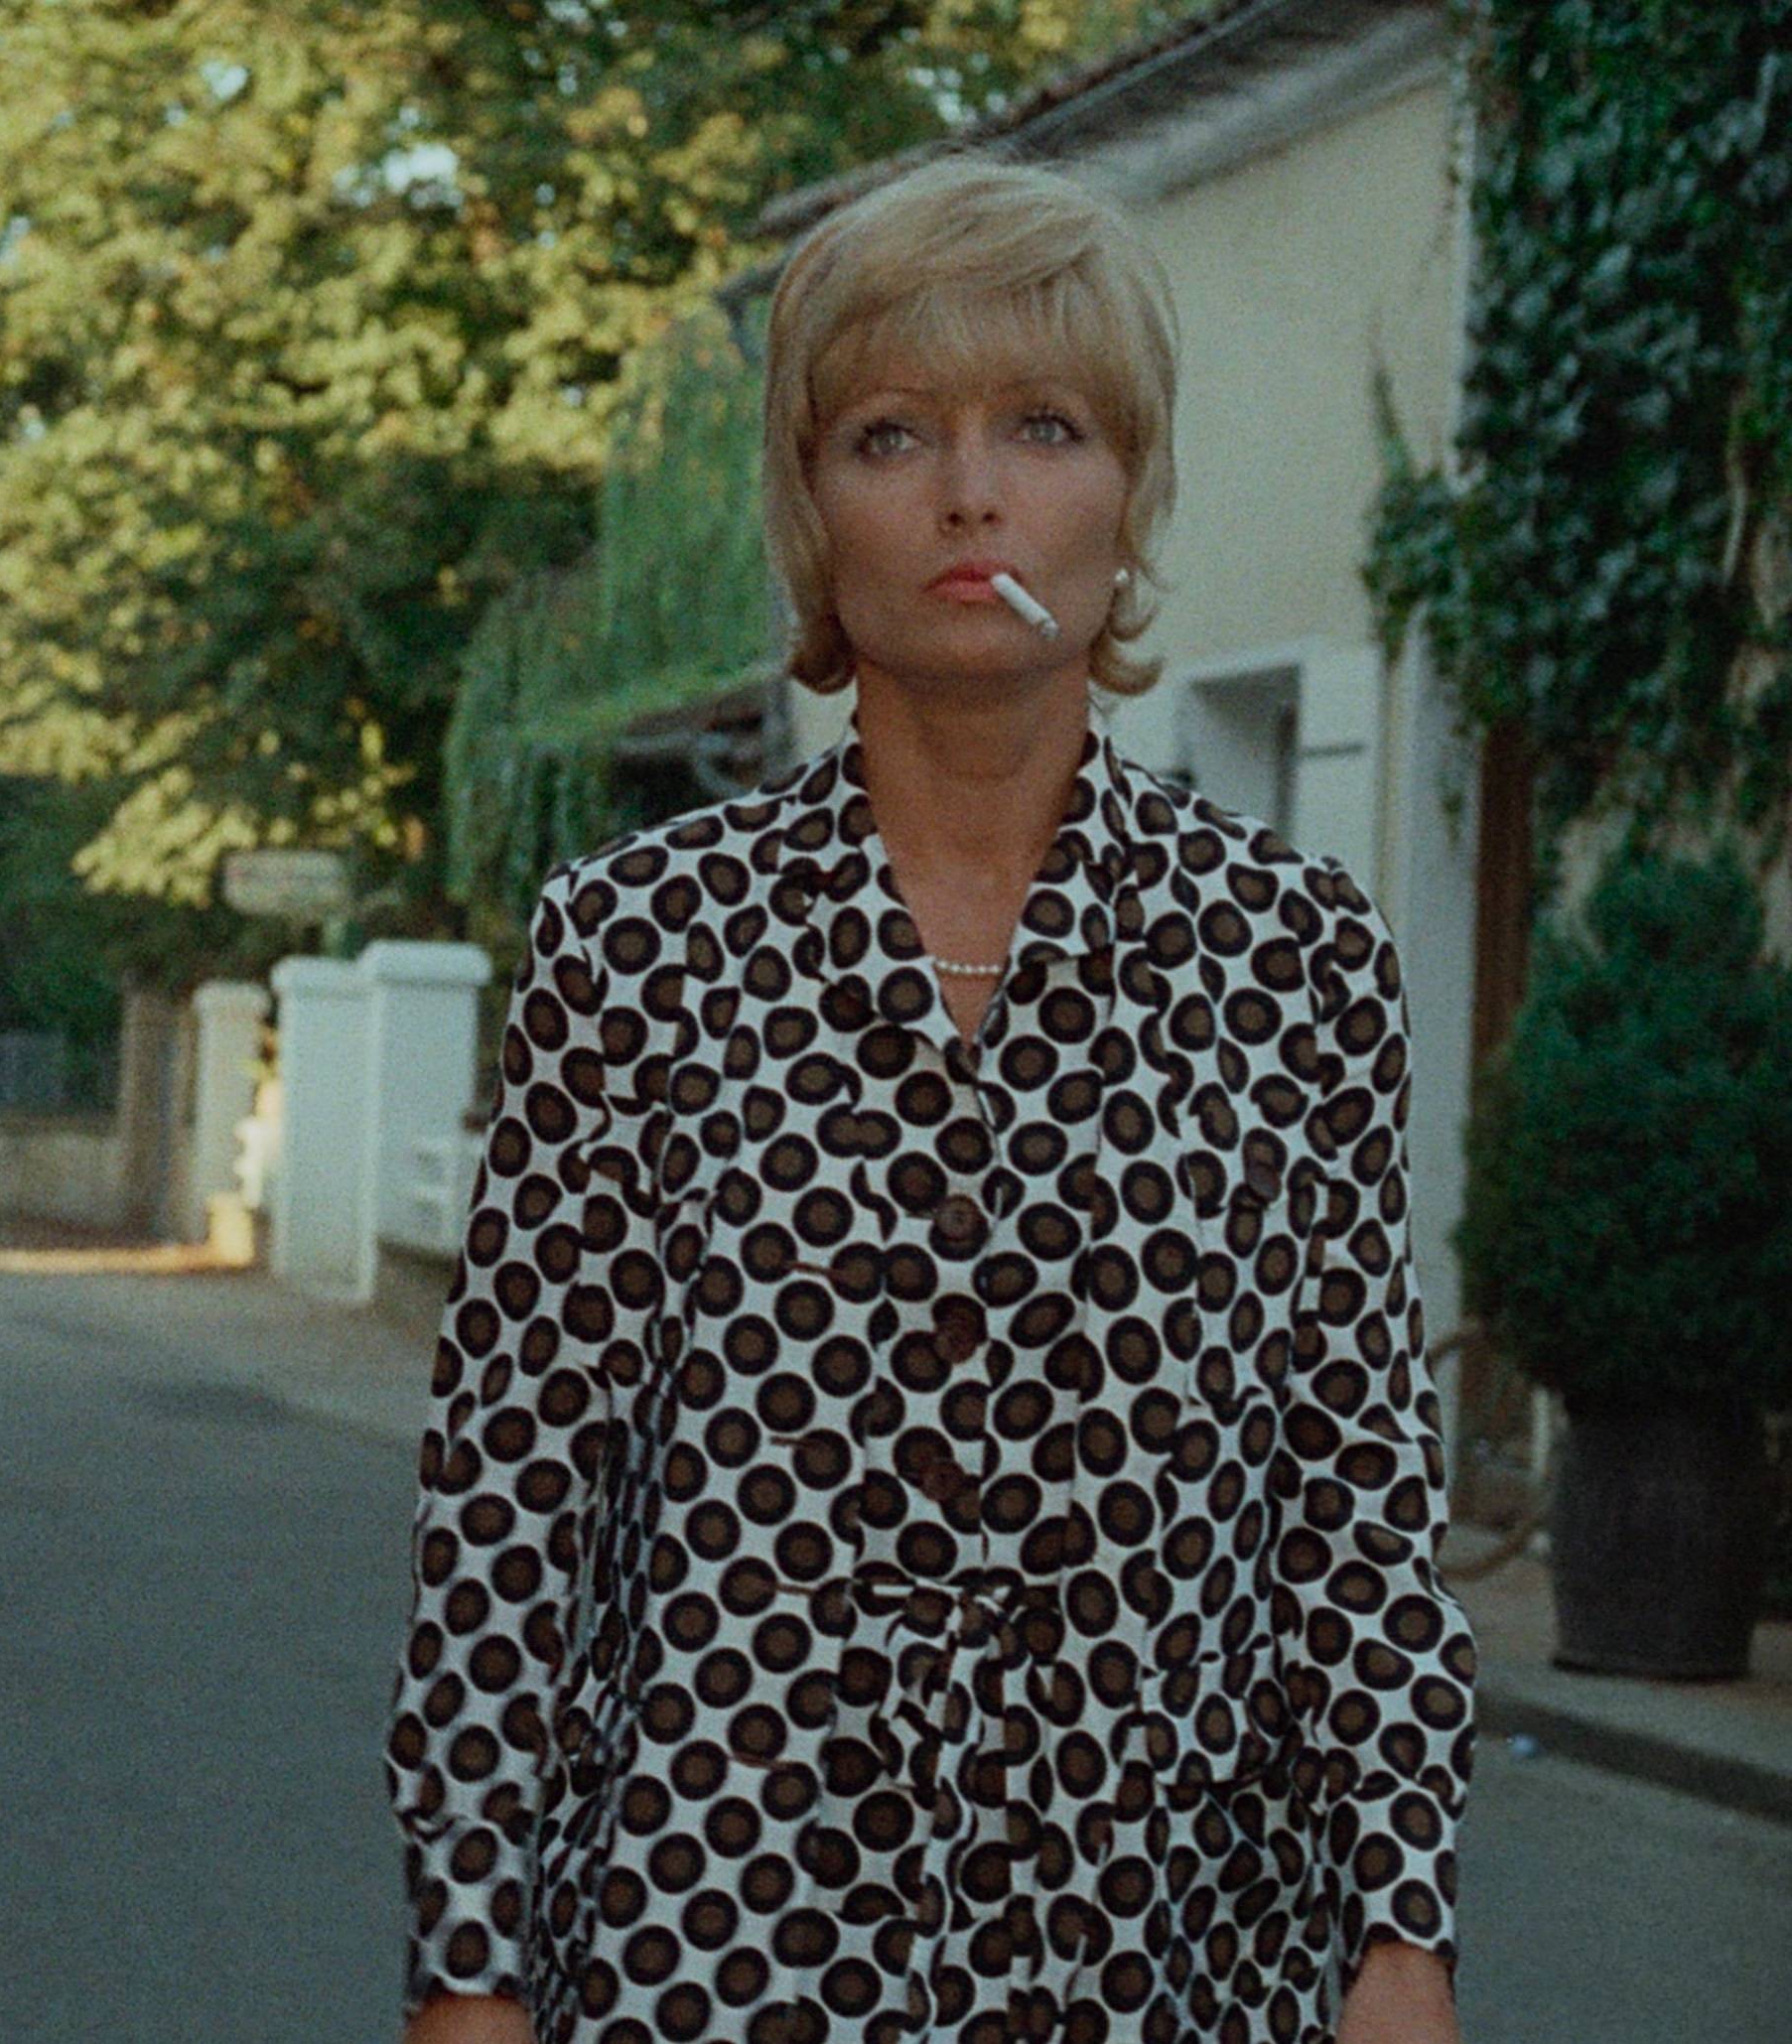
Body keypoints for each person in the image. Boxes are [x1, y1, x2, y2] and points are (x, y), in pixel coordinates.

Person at [387, 158, 1472, 2044]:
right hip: (712, 1948)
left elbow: (1352, 1490)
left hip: (1155, 1961)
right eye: (893, 434)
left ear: (1129, 492)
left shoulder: (1295, 961)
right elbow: (514, 1501)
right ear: (813, 510)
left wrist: (1400, 1929)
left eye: (1044, 426)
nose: (972, 494)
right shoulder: (639, 949)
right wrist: (469, 1966)